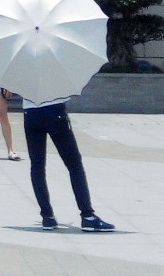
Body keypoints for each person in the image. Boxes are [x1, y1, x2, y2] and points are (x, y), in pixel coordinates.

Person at [22, 92, 114, 232]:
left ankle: (47, 216)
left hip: (30, 112)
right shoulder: (55, 69)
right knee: (74, 165)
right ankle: (87, 215)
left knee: (37, 166)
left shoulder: (23, 69)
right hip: (54, 110)